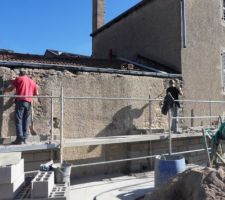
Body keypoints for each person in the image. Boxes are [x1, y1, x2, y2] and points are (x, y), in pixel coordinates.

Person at [3, 70, 38, 144]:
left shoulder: (19, 78)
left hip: (20, 101)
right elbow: (36, 93)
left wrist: (3, 90)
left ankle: (19, 139)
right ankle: (25, 139)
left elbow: (11, 89)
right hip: (28, 103)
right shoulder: (32, 81)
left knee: (19, 120)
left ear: (20, 74)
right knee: (26, 121)